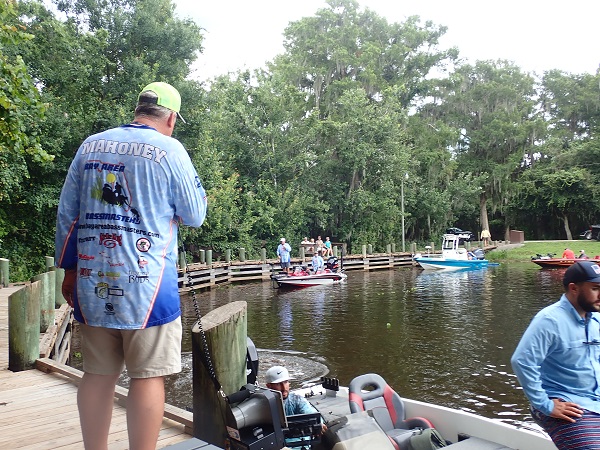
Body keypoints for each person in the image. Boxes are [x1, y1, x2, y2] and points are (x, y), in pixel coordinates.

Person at [55, 82, 208, 450]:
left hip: (91, 281)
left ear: (139, 109)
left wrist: (69, 270)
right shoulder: (171, 149)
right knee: (147, 376)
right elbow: (195, 214)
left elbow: (68, 215)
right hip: (149, 288)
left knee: (97, 374)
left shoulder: (90, 145)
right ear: (171, 118)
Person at [511, 261, 600, 450]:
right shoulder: (549, 320)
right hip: (565, 402)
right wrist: (545, 405)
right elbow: (523, 361)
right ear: (574, 288)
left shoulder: (596, 318)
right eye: (595, 288)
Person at [265, 365, 327, 439]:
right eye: (278, 384)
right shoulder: (263, 405)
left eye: (285, 382)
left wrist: (319, 423)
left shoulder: (296, 400)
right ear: (268, 386)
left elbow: (310, 412)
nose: (284, 388)